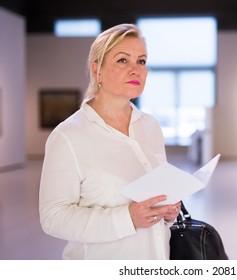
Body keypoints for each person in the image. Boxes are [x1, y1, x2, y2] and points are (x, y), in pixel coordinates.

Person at [39, 23, 181, 260]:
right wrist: (128, 218)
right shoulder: (69, 136)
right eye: (123, 60)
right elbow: (53, 218)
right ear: (97, 71)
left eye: (142, 61)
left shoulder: (150, 127)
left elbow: (157, 191)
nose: (136, 70)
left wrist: (167, 210)